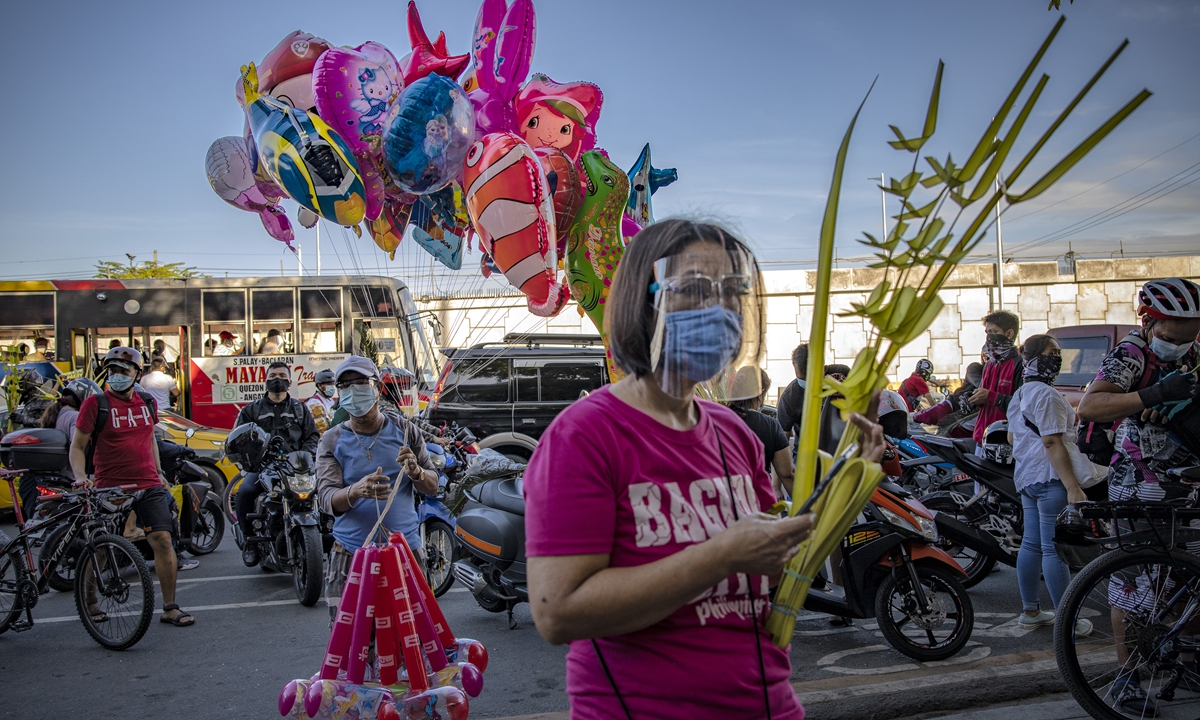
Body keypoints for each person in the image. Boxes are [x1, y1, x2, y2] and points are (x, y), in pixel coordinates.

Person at [523, 219, 885, 719]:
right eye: (693, 289)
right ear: (642, 303)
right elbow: (556, 612)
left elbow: (772, 571)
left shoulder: (735, 433)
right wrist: (717, 557)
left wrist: (846, 486)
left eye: (733, 292)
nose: (719, 309)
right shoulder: (584, 436)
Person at [1077, 278, 1200, 714]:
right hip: (1139, 481)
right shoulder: (1130, 354)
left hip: (1187, 480)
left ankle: (1188, 661)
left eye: (1188, 338)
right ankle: (1127, 678)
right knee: (1133, 583)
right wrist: (1149, 395)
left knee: (1191, 576)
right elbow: (1089, 407)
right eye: (1169, 338)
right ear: (1147, 322)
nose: (1179, 347)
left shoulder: (1193, 352)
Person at [68, 346, 194, 627]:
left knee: (162, 540)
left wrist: (159, 471)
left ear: (137, 374)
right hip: (109, 487)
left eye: (123, 371)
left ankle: (171, 608)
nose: (117, 375)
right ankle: (90, 602)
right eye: (112, 370)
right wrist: (80, 475)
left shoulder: (147, 402)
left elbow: (149, 439)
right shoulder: (95, 404)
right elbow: (77, 446)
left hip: (148, 483)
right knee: (101, 547)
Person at [315, 356, 437, 622]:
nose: (353, 390)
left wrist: (416, 472)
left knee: (414, 640)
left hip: (405, 552)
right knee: (352, 644)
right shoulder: (331, 440)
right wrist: (355, 491)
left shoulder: (405, 430)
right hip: (352, 555)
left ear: (377, 388)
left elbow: (432, 484)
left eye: (360, 382)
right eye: (345, 385)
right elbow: (325, 499)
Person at [1008, 335, 1102, 634]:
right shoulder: (1047, 395)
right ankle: (1068, 619)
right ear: (1035, 358)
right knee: (1052, 549)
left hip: (1027, 478)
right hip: (1051, 478)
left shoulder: (1020, 394)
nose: (1058, 357)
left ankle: (1031, 610)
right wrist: (1073, 485)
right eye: (1052, 352)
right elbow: (1051, 441)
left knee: (1032, 544)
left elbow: (1013, 438)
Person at [233, 361, 320, 567]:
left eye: (281, 376)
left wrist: (305, 454)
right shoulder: (251, 410)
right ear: (266, 380)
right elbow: (239, 439)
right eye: (272, 376)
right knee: (244, 492)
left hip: (296, 468)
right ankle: (249, 541)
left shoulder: (301, 409)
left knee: (323, 491)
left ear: (289, 382)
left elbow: (313, 436)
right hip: (263, 468)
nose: (277, 379)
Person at [727, 367, 793, 501]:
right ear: (761, 394)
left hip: (725, 498)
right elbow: (787, 473)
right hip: (758, 499)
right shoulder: (770, 426)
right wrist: (807, 507)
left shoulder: (717, 420)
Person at [969, 310, 1024, 451]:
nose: (989, 337)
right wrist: (973, 400)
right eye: (987, 333)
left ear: (1009, 334)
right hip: (981, 440)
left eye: (993, 332)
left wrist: (991, 396)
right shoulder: (989, 364)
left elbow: (1023, 404)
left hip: (1006, 442)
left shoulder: (1020, 364)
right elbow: (984, 398)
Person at [775, 343, 808, 440]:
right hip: (804, 452)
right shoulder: (789, 398)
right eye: (802, 380)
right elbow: (783, 441)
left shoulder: (841, 377)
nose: (807, 384)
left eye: (811, 379)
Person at [305, 368, 337, 434]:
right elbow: (321, 430)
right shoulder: (314, 404)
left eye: (333, 383)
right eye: (328, 384)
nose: (332, 386)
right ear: (319, 386)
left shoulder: (330, 400)